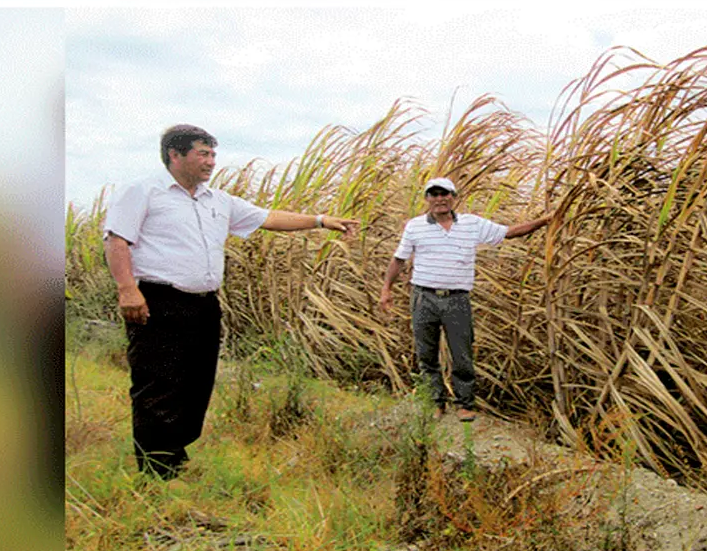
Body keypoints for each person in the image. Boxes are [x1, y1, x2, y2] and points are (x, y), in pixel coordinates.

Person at [103, 124, 359, 481]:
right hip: (158, 301)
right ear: (174, 156)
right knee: (157, 382)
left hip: (204, 305)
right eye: (202, 154)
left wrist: (318, 221)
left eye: (212, 154)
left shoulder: (217, 201)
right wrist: (127, 289)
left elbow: (268, 218)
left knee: (196, 382)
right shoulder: (144, 191)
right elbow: (117, 241)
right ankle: (157, 469)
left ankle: (174, 451)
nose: (211, 162)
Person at [379, 177, 551, 422]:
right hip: (423, 298)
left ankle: (464, 403)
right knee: (426, 354)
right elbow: (399, 260)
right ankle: (435, 402)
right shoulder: (415, 227)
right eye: (434, 194)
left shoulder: (472, 224)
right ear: (427, 199)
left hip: (457, 300)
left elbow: (510, 232)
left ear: (454, 196)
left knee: (462, 353)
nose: (440, 198)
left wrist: (544, 221)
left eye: (445, 193)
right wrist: (386, 289)